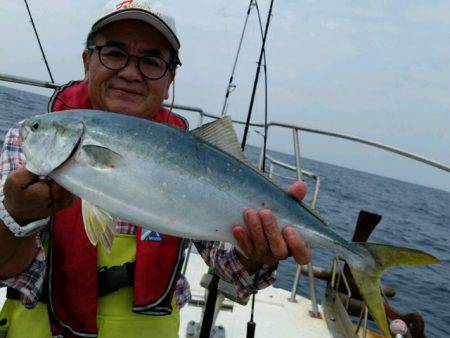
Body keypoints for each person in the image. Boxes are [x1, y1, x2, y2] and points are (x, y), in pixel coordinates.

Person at [0, 1, 311, 337]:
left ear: (170, 78)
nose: (131, 72)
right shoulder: (30, 138)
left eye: (151, 61)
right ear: (87, 61)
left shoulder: (195, 155)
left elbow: (232, 269)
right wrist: (16, 215)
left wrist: (256, 252)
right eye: (114, 54)